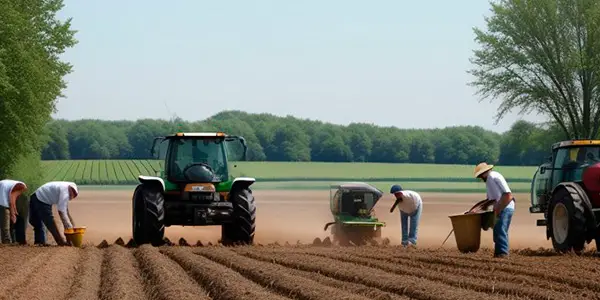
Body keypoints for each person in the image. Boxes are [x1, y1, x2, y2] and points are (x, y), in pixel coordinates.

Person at [474, 162, 515, 258]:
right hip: (505, 206)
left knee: (500, 230)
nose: (481, 178)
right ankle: (499, 253)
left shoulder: (491, 177)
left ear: (484, 173)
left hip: (505, 207)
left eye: (480, 175)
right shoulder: (492, 177)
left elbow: (507, 195)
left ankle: (502, 254)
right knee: (499, 230)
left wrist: (499, 209)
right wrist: (477, 208)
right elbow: (490, 200)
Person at [29, 181, 78, 246]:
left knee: (40, 221)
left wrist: (72, 225)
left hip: (37, 195)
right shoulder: (65, 193)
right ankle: (61, 242)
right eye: (71, 196)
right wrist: (68, 227)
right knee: (49, 222)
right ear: (71, 191)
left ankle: (40, 242)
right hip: (41, 198)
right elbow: (61, 212)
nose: (70, 198)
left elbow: (66, 211)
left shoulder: (67, 187)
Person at [0, 179, 27, 244]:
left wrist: (14, 210)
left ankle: (10, 241)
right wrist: (12, 214)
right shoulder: (22, 186)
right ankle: (6, 242)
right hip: (2, 203)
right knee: (5, 224)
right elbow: (12, 199)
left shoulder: (12, 184)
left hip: (2, 198)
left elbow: (13, 199)